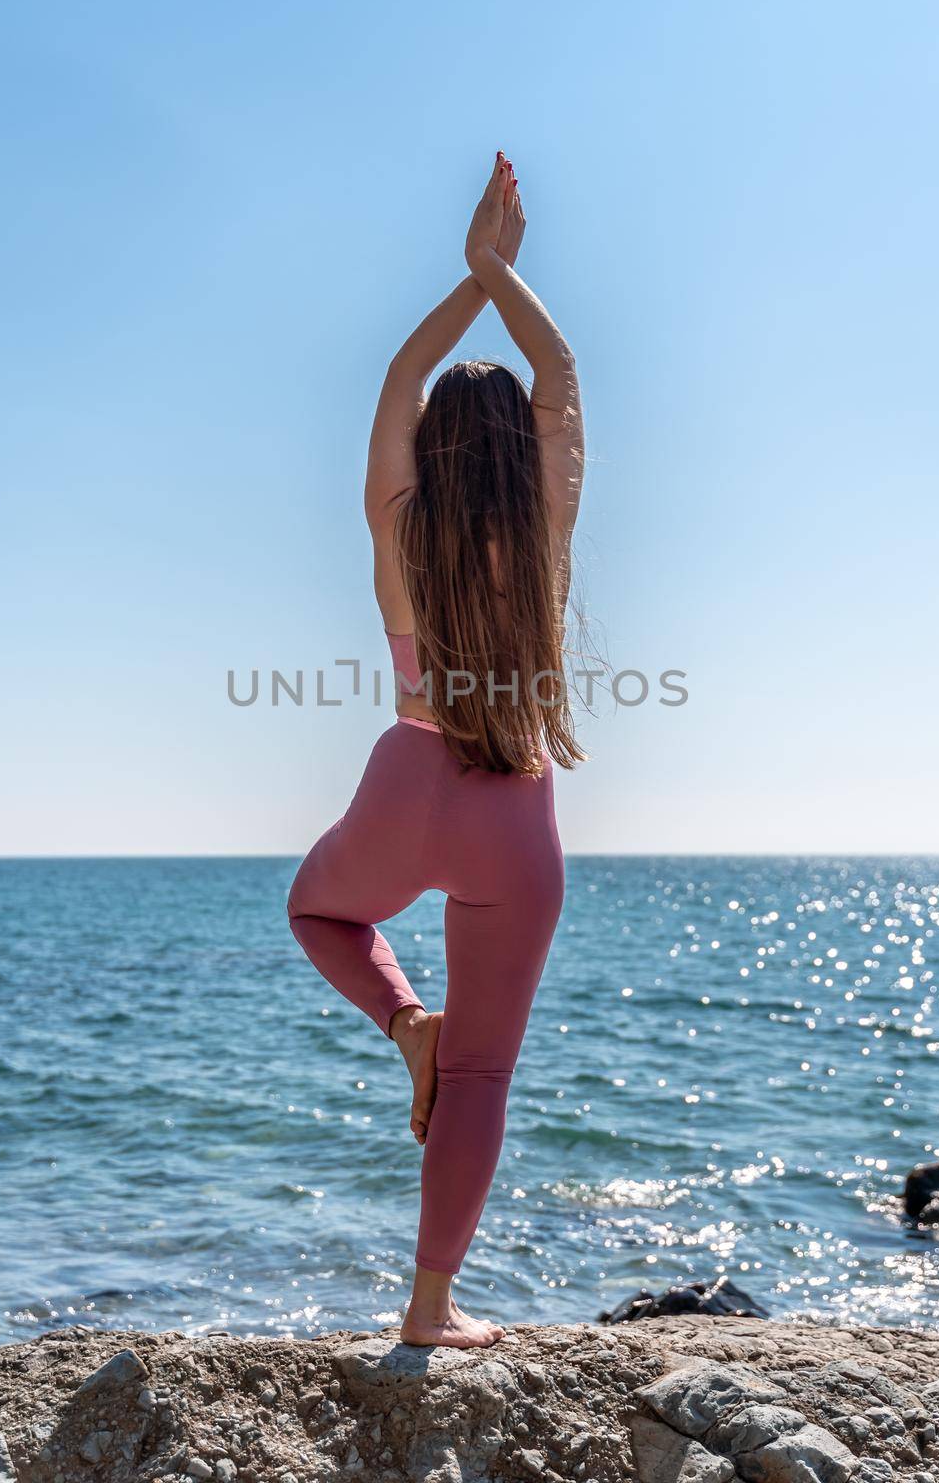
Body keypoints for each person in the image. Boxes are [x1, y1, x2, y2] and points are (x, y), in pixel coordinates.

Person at [287, 150, 585, 1348]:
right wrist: (499, 274)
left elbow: (403, 371)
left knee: (318, 912)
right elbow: (557, 372)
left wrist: (464, 282)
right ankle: (427, 1309)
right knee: (481, 1076)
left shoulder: (398, 521)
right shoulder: (548, 525)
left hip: (406, 774)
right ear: (519, 451)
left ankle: (401, 1020)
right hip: (512, 807)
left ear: (429, 449)